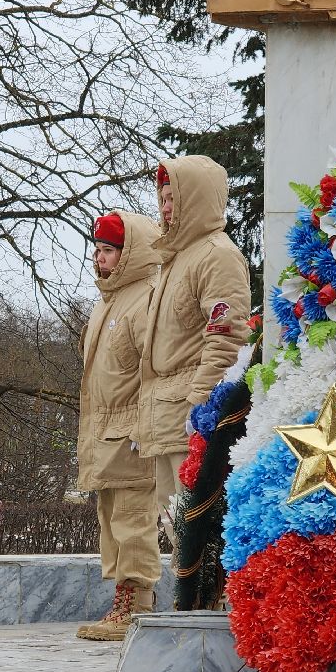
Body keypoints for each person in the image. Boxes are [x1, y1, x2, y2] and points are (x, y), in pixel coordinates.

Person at [137, 156, 251, 548]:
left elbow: (226, 339)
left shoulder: (217, 255)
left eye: (174, 199)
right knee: (178, 534)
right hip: (165, 417)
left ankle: (207, 594)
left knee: (200, 538)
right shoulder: (175, 260)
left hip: (189, 417)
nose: (166, 207)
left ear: (198, 199)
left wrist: (199, 407)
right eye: (162, 199)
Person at [75, 211, 163, 641]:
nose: (99, 258)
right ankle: (124, 602)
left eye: (108, 250)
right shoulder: (106, 303)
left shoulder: (146, 299)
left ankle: (136, 605)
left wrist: (146, 427)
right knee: (112, 519)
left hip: (132, 434)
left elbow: (157, 370)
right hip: (105, 434)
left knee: (133, 520)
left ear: (129, 254)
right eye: (97, 249)